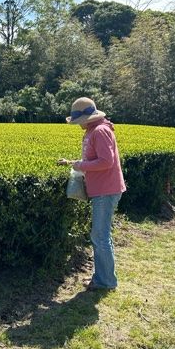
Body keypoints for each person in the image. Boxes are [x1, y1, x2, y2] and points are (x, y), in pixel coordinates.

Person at [58, 97, 126, 291]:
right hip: (101, 190)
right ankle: (102, 277)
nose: (78, 125)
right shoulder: (92, 130)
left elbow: (106, 161)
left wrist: (79, 165)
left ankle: (106, 282)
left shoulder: (100, 131)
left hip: (106, 190)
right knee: (100, 236)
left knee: (100, 236)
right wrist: (72, 163)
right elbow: (94, 159)